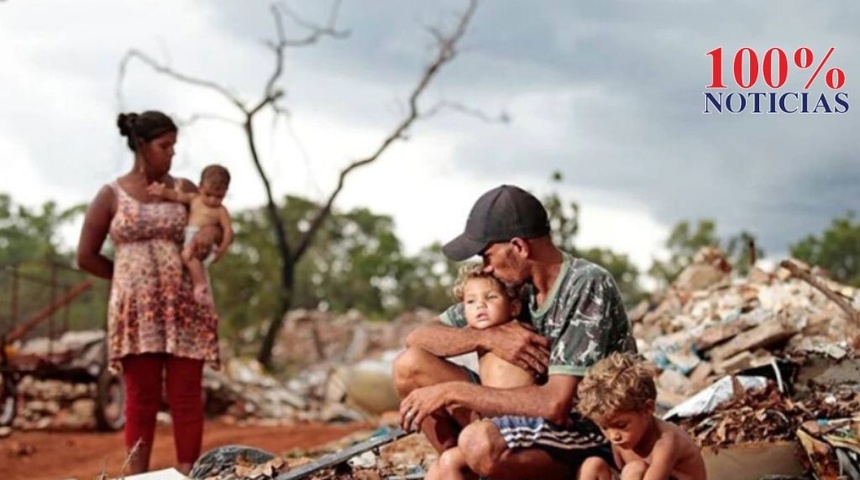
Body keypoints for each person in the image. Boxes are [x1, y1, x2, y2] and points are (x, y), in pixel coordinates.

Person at [393, 184, 637, 480]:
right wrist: (484, 336)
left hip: (585, 432)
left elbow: (556, 405)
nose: (486, 268)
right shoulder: (510, 285)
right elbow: (418, 337)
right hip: (523, 423)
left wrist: (452, 392)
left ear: (519, 247)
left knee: (480, 442)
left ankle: (484, 461)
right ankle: (462, 469)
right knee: (410, 366)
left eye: (487, 256)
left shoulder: (587, 284)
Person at [76, 111, 221, 475]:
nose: (172, 153)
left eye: (174, 145)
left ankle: (188, 474)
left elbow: (215, 221)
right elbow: (86, 255)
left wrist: (208, 235)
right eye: (164, 145)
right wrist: (126, 280)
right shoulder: (111, 195)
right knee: (140, 399)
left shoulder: (185, 189)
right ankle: (137, 476)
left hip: (184, 306)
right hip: (136, 312)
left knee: (186, 396)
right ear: (142, 146)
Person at [425, 262, 535, 480]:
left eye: (491, 297)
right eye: (471, 302)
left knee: (449, 462)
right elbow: (424, 339)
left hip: (524, 425)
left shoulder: (519, 334)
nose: (480, 306)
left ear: (514, 307)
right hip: (496, 423)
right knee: (437, 469)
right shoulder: (478, 336)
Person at [576, 353, 707, 480]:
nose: (613, 436)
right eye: (604, 427)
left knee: (634, 470)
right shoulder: (620, 440)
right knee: (592, 466)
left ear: (647, 409)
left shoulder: (667, 442)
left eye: (621, 425)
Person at [147, 164, 234, 305]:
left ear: (225, 192)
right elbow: (177, 196)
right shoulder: (195, 199)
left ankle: (200, 285)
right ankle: (199, 284)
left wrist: (222, 249)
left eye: (219, 196)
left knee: (187, 256)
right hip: (190, 236)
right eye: (208, 194)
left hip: (204, 244)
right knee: (188, 258)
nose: (212, 200)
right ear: (200, 187)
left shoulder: (221, 211)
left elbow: (228, 231)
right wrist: (162, 192)